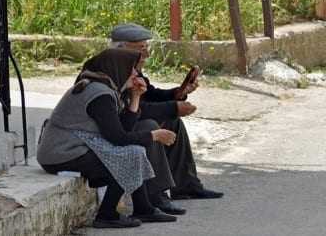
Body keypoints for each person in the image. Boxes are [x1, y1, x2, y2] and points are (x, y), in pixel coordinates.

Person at [37, 48, 177, 229]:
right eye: (132, 69)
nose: (136, 74)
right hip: (61, 154)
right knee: (128, 155)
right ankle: (107, 215)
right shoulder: (99, 93)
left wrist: (135, 98)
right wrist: (154, 135)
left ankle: (143, 208)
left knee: (132, 152)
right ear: (119, 68)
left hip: (75, 148)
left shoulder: (105, 88)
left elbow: (122, 130)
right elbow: (118, 138)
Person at [110, 23, 224, 201]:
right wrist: (173, 107)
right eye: (141, 49)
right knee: (150, 126)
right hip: (113, 129)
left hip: (128, 121)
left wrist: (177, 94)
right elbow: (135, 108)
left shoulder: (133, 69)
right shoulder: (114, 71)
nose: (146, 54)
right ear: (122, 48)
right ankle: (156, 196)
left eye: (147, 48)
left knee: (173, 122)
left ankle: (186, 185)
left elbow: (150, 94)